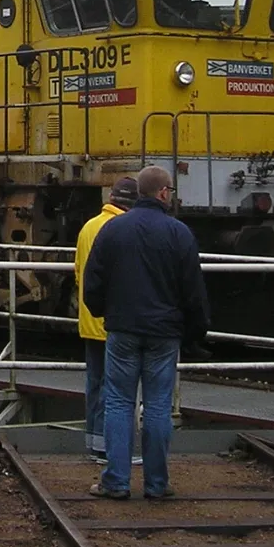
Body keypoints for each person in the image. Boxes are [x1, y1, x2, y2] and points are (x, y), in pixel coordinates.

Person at [83, 165, 209, 501]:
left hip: (123, 329)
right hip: (164, 333)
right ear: (164, 192)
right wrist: (195, 332)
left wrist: (104, 313)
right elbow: (193, 290)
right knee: (157, 406)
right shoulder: (179, 233)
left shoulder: (112, 231)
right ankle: (156, 484)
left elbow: (92, 282)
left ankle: (116, 482)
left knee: (119, 404)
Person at [74, 176, 139, 464]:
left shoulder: (89, 226)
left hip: (89, 318)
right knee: (115, 388)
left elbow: (79, 271)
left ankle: (93, 440)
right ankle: (105, 448)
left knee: (95, 382)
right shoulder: (123, 229)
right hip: (113, 320)